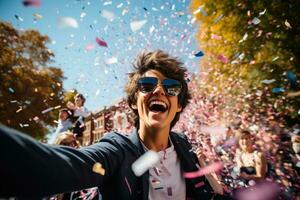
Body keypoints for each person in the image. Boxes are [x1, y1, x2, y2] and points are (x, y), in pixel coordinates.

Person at [0, 50, 233, 200]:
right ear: (133, 101)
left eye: (171, 87)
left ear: (179, 105)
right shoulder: (118, 151)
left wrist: (218, 189)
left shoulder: (185, 147)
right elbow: (62, 166)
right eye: (148, 84)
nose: (160, 90)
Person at [51, 132, 100, 200]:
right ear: (59, 144)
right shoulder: (55, 164)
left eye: (73, 142)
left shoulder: (81, 159)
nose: (71, 146)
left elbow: (99, 172)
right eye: (65, 144)